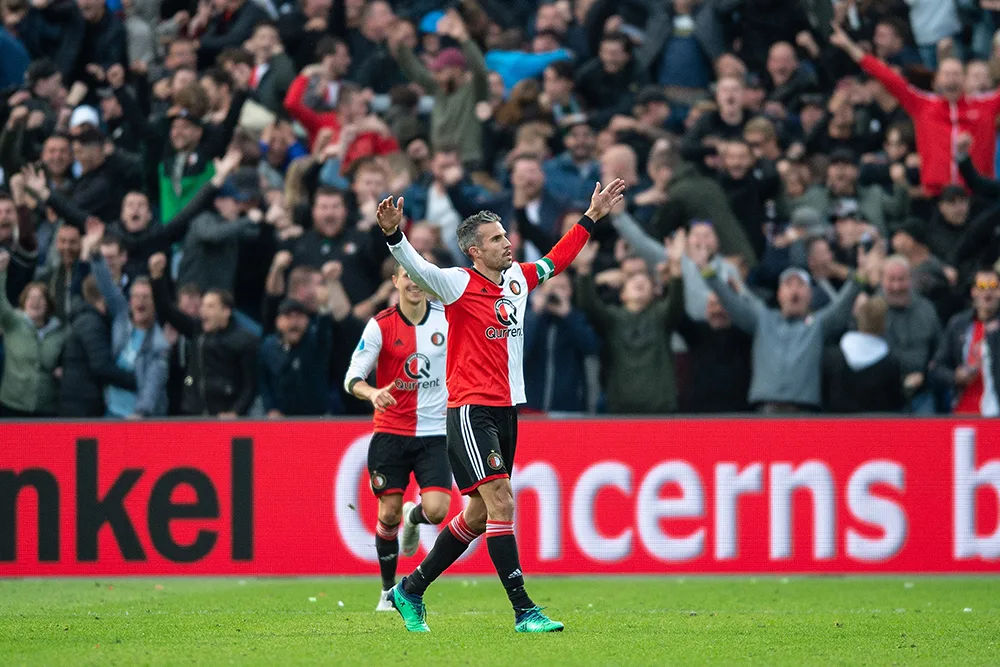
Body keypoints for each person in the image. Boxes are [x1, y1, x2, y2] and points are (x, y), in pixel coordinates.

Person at [374, 177, 626, 632]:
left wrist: (591, 217)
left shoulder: (518, 280)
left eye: (505, 236)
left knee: (476, 514)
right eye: (495, 239)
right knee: (502, 503)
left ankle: (410, 588)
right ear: (474, 250)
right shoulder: (455, 284)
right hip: (471, 410)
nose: (506, 243)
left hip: (508, 410)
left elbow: (556, 260)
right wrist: (395, 234)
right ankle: (524, 609)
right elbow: (416, 264)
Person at [343, 262, 452, 612]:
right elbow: (352, 377)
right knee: (387, 513)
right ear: (395, 281)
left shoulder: (447, 319)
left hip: (434, 432)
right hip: (390, 431)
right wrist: (372, 393)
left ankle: (414, 518)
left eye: (419, 277)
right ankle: (388, 592)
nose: (413, 284)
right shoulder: (381, 326)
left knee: (437, 511)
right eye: (407, 277)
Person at [830, 21, 1000, 195]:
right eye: (946, 74)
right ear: (938, 79)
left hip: (979, 194)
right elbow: (887, 77)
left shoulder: (985, 105)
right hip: (937, 195)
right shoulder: (923, 104)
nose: (951, 79)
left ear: (964, 79)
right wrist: (849, 46)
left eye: (956, 74)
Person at [0, 250, 66, 417]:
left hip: (46, 409)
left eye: (40, 299)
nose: (35, 303)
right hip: (12, 406)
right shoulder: (13, 322)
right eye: (31, 298)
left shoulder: (60, 332)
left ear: (48, 305)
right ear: (23, 302)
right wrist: (1, 273)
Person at [932, 266, 1000, 416]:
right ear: (973, 291)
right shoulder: (958, 324)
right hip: (963, 409)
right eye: (982, 286)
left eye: (994, 287)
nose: (987, 292)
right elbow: (937, 367)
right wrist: (956, 376)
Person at [824, 296, 905, 413]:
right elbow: (896, 402)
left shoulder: (833, 356)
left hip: (837, 425)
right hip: (875, 426)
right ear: (883, 323)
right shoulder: (890, 363)